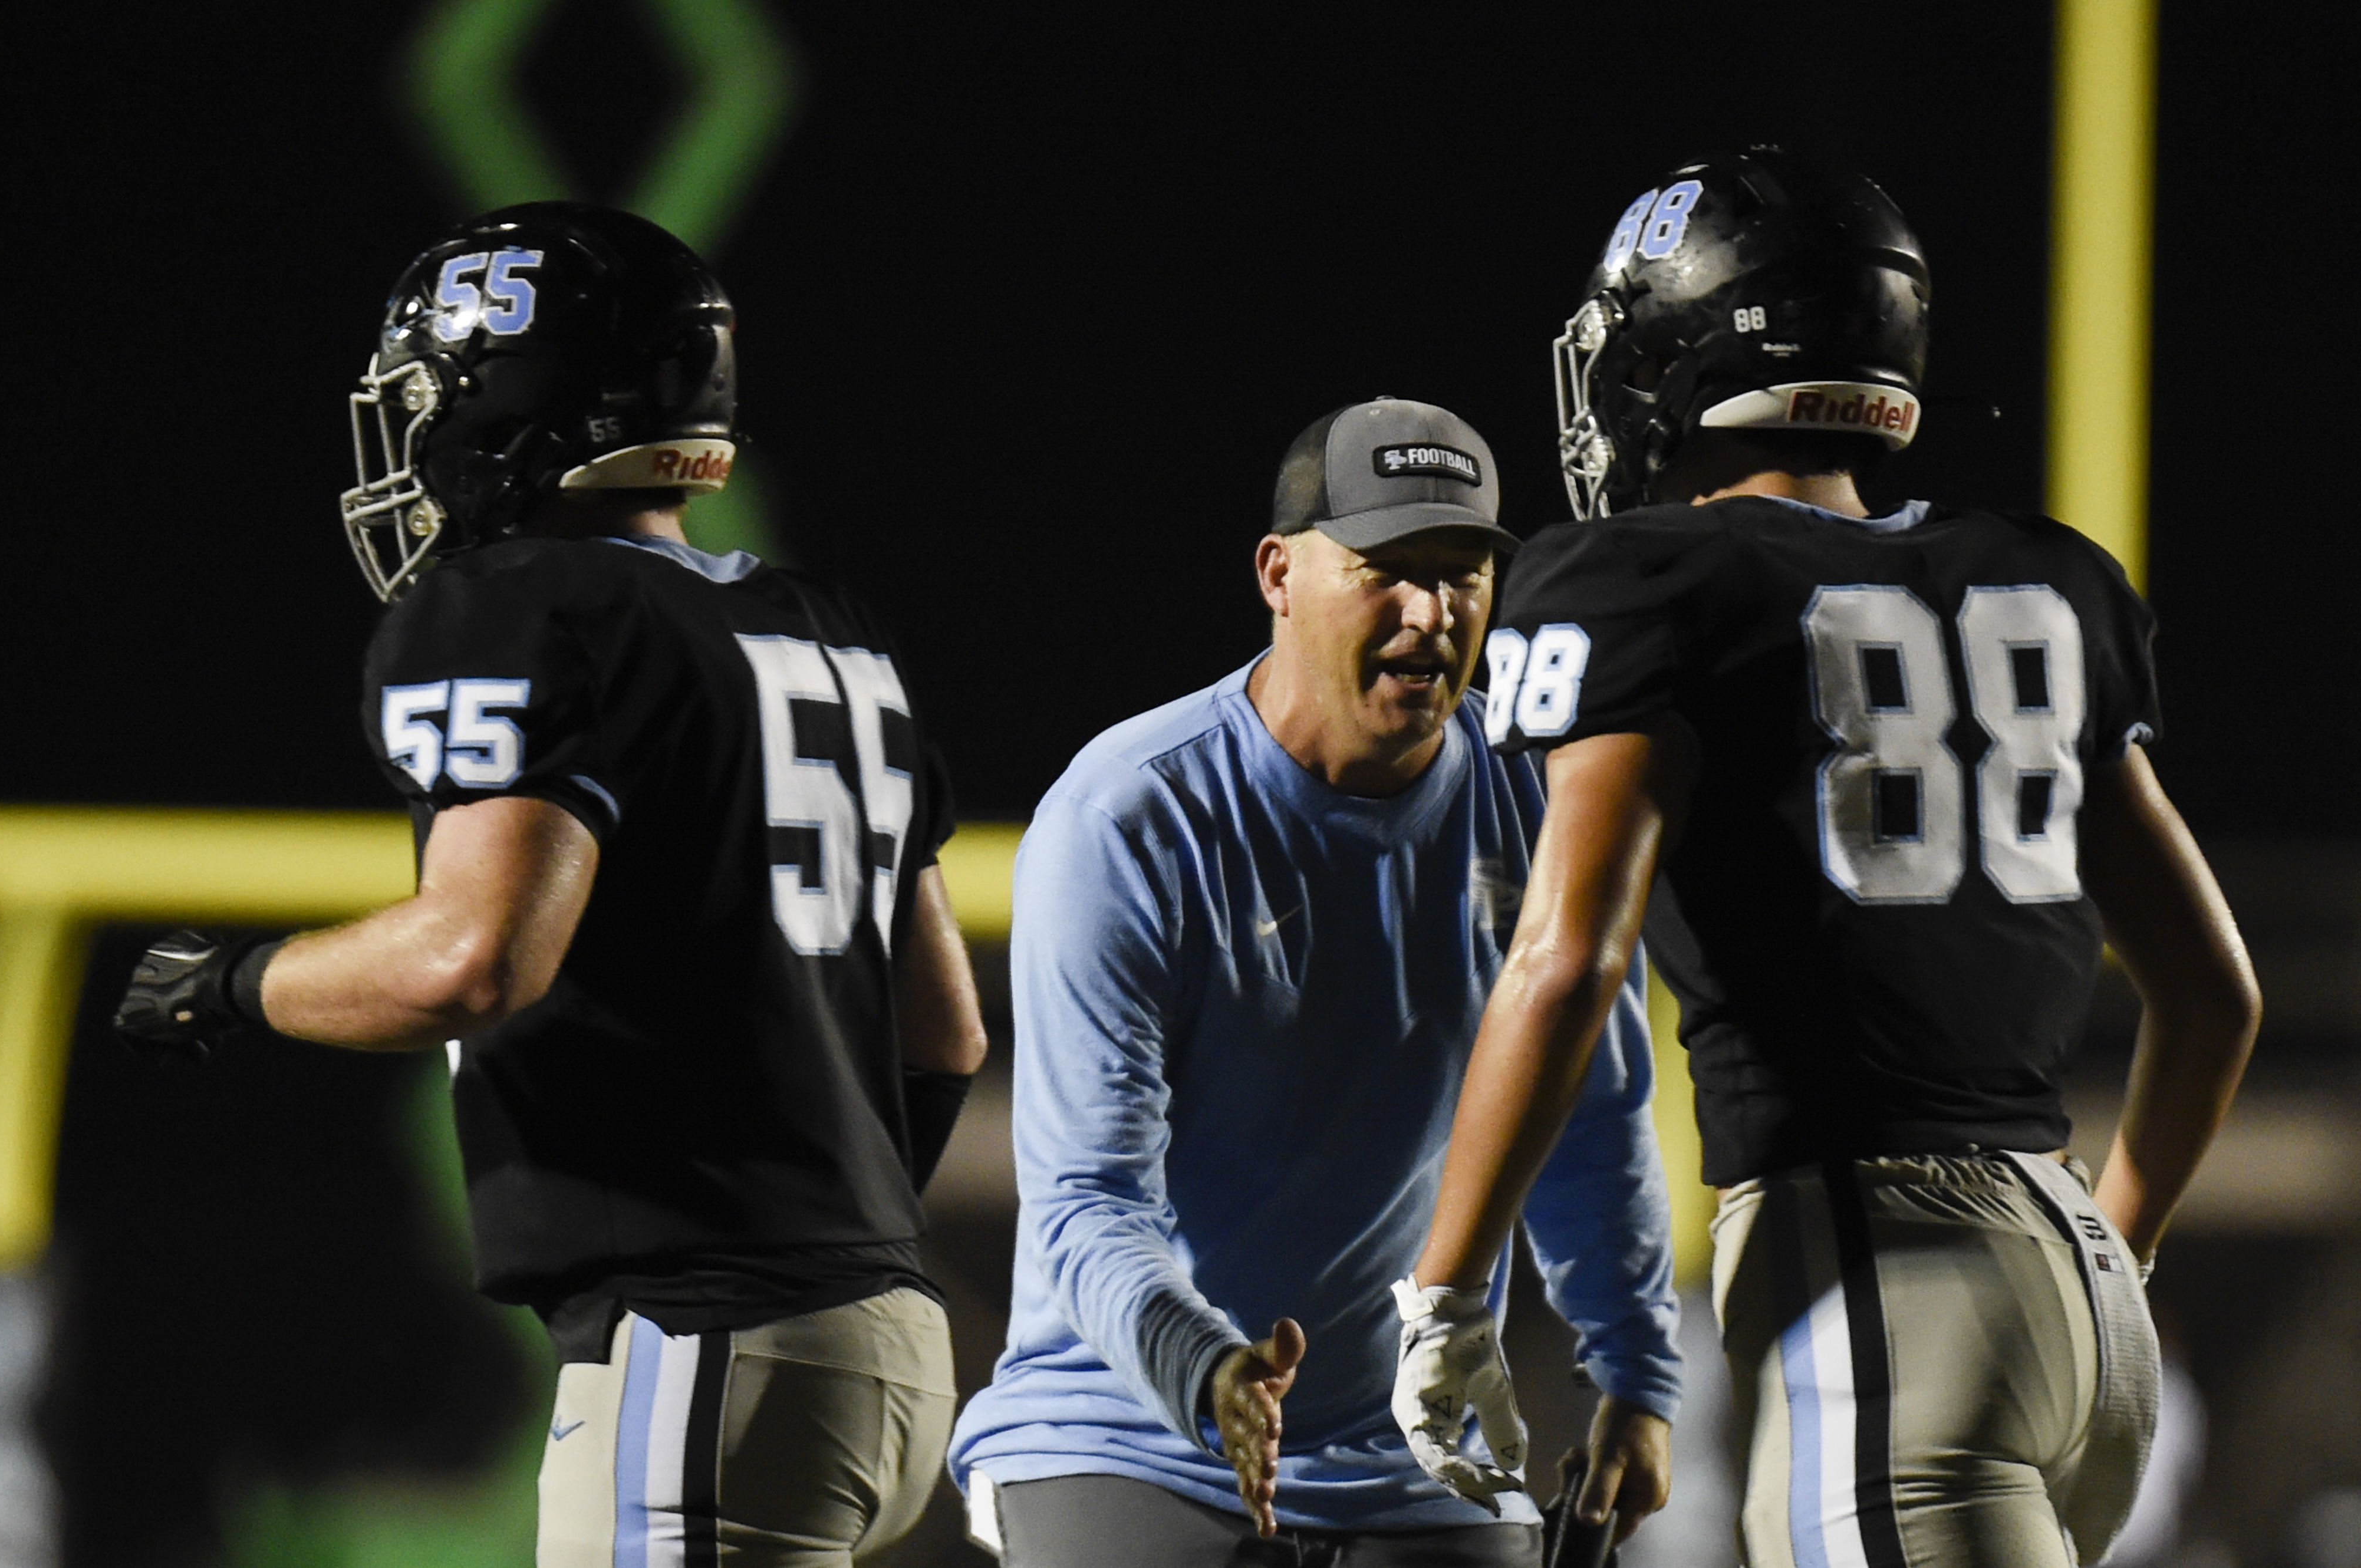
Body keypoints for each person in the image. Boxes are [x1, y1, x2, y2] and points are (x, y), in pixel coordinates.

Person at [1394, 147, 2261, 1568]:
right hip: (2081, 1293)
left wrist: (1443, 1291)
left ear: (1683, 348)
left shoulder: (1643, 579)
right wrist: (2117, 1243)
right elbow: (2216, 994)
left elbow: (1567, 963)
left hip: (1872, 1270)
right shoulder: (2045, 578)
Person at [111, 203, 988, 1568]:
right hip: (887, 1341)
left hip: (706, 1344)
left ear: (515, 402)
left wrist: (230, 984)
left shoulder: (516, 604)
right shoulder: (824, 626)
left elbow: (472, 957)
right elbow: (945, 1032)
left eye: (429, 396)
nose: (412, 435)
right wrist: (818, 1231)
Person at [947, 397, 1680, 1567]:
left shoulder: (1534, 794)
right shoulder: (1133, 814)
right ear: (1280, 574)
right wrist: (1208, 1366)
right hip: (1132, 1428)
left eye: (1463, 576)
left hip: (1417, 1445)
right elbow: (1089, 1193)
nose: (1432, 613)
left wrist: (1637, 1379)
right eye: (1387, 571)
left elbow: (1588, 1117)